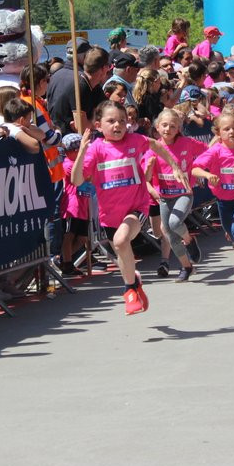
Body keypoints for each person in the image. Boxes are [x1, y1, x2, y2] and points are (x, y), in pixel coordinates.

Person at [71, 101, 189, 315]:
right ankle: (134, 283)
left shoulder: (135, 140)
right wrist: (81, 153)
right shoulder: (96, 148)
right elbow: (78, 180)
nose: (118, 125)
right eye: (111, 121)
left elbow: (156, 145)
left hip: (136, 207)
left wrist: (174, 166)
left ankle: (129, 291)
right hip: (109, 216)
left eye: (122, 121)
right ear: (98, 125)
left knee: (120, 240)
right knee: (122, 252)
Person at [192, 112, 234, 281]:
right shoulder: (215, 151)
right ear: (218, 133)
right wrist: (207, 175)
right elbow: (194, 169)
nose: (232, 131)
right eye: (227, 129)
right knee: (232, 233)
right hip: (223, 201)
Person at [146, 109, 205, 281]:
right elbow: (146, 179)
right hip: (164, 197)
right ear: (157, 127)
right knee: (170, 236)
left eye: (173, 126)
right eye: (164, 125)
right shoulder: (153, 148)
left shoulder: (186, 142)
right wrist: (150, 174)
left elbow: (207, 152)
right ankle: (187, 267)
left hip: (184, 193)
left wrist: (198, 172)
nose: (168, 129)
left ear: (178, 128)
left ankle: (189, 240)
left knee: (173, 223)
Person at [59, 133, 93, 276]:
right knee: (69, 235)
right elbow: (82, 177)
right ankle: (67, 263)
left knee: (83, 238)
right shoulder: (67, 164)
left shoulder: (80, 163)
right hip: (72, 205)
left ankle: (62, 258)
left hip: (83, 205)